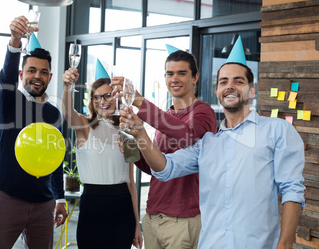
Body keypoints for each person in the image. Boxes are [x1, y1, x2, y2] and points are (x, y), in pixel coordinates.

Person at [120, 37, 305, 249]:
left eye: (239, 81)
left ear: (252, 90)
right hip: (184, 230)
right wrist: (137, 137)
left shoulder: (273, 129)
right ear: (216, 91)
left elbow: (292, 189)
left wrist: (285, 243)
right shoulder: (208, 143)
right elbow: (162, 168)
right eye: (223, 82)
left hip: (203, 228)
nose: (230, 87)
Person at [111, 49, 217, 249]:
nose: (174, 79)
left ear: (195, 77)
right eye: (169, 73)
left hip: (183, 220)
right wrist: (135, 150)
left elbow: (187, 135)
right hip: (153, 217)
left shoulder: (203, 112)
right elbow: (157, 167)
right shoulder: (166, 116)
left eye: (181, 73)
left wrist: (139, 102)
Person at [0, 16, 67, 249]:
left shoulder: (53, 114)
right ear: (21, 75)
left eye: (43, 72)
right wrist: (15, 41)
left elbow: (55, 158)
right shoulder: (9, 101)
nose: (37, 76)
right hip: (7, 199)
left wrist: (59, 198)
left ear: (50, 77)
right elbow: (6, 78)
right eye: (31, 70)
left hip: (44, 204)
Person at [62, 64, 143, 249]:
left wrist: (137, 225)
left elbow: (131, 183)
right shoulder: (84, 126)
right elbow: (67, 112)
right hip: (92, 206)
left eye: (108, 95)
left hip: (122, 208)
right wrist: (68, 87)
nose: (102, 101)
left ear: (116, 97)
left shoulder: (127, 130)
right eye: (96, 97)